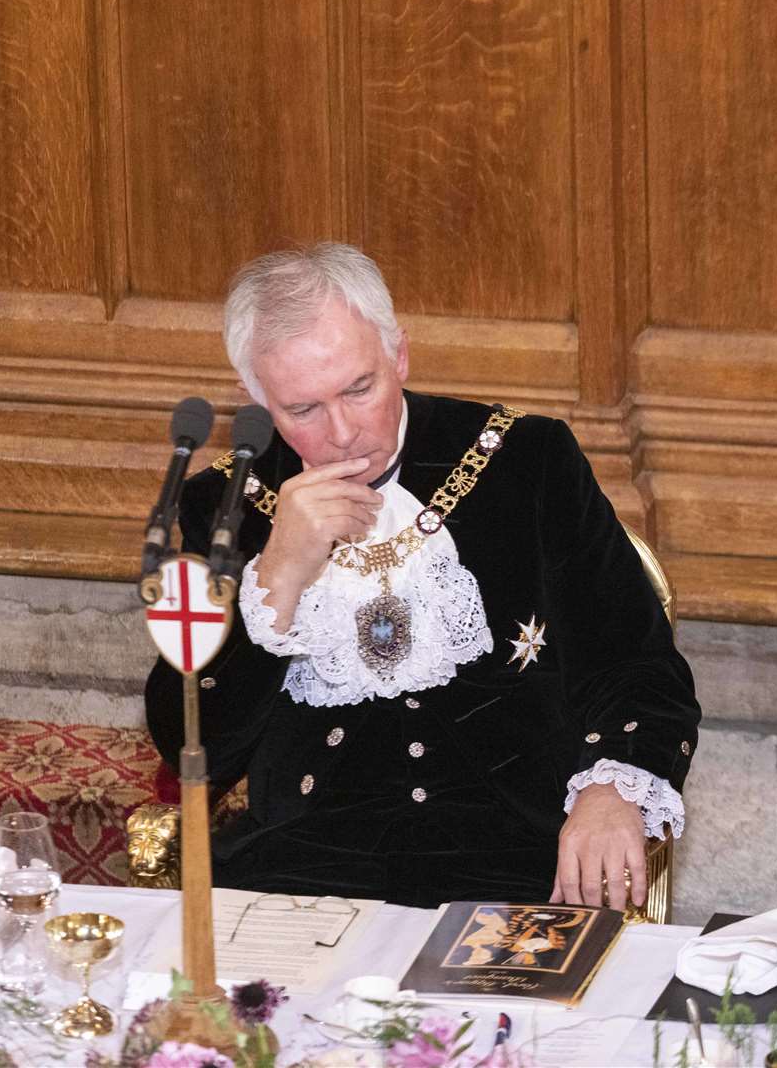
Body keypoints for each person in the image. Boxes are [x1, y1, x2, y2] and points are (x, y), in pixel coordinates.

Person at [145, 243, 701, 910]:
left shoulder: (526, 461)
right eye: (303, 410)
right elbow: (190, 742)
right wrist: (280, 575)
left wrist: (611, 791)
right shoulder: (227, 504)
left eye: (361, 387)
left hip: (519, 859)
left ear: (399, 355)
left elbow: (635, 666)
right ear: (256, 402)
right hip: (300, 864)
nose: (345, 432)